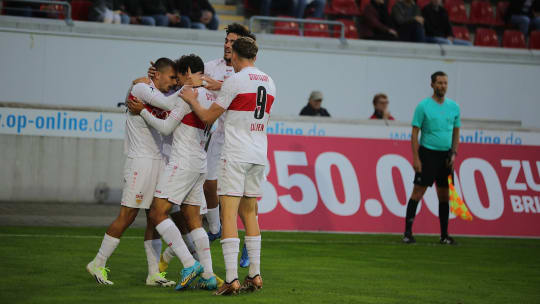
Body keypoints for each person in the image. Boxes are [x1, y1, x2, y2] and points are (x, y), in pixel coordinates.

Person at [180, 37, 275, 295]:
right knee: (251, 214)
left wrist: (192, 99)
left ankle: (231, 279)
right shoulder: (269, 81)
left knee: (228, 215)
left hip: (235, 153)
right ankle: (255, 274)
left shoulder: (235, 80)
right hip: (259, 153)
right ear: (255, 56)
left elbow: (208, 116)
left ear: (233, 56)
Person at [127, 54, 221, 291]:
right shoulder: (212, 96)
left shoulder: (188, 95)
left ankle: (189, 264)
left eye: (179, 76)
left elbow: (166, 126)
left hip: (182, 161)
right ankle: (208, 274)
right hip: (200, 162)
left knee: (157, 213)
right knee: (193, 220)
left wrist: (143, 110)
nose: (178, 82)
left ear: (187, 72)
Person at [86, 58, 179, 286]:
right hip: (140, 162)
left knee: (154, 219)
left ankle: (153, 274)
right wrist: (189, 87)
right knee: (127, 216)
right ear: (157, 75)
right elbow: (168, 105)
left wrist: (181, 87)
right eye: (172, 78)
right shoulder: (140, 88)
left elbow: (167, 103)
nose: (174, 83)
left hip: (158, 161)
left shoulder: (158, 93)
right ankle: (97, 263)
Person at [199, 23, 257, 269]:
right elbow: (193, 81)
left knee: (245, 198)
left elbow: (241, 92)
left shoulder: (247, 73)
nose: (226, 44)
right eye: (226, 40)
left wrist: (218, 86)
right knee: (208, 182)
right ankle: (214, 227)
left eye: (232, 41)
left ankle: (247, 244)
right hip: (219, 134)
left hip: (241, 138)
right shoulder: (211, 66)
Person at [402, 71, 460, 245]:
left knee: (444, 195)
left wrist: (453, 152)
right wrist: (416, 158)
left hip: (445, 156)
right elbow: (414, 133)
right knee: (417, 193)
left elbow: (456, 131)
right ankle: (407, 232)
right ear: (432, 85)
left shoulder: (454, 107)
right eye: (439, 83)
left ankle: (444, 235)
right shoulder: (423, 106)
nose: (443, 86)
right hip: (428, 153)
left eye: (445, 83)